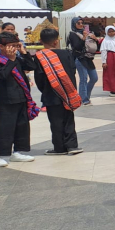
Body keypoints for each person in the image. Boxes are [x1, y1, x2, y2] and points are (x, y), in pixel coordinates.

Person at [0, 32, 38, 167]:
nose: (14, 49)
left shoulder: (17, 58)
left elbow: (31, 67)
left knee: (22, 126)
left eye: (16, 46)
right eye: (11, 46)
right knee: (5, 128)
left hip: (22, 97)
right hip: (7, 99)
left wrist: (24, 52)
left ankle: (18, 152)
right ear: (1, 46)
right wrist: (10, 60)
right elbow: (2, 76)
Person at [33, 28, 83, 156]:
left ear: (40, 41)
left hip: (51, 94)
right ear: (56, 41)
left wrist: (45, 90)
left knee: (55, 122)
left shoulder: (40, 56)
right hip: (68, 93)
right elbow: (72, 71)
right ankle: (72, 146)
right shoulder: (66, 53)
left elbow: (39, 77)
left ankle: (59, 148)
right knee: (69, 120)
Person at [66, 17, 99, 105]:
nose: (81, 25)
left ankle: (86, 96)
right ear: (74, 24)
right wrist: (84, 38)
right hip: (79, 58)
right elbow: (77, 47)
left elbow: (96, 48)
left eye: (82, 23)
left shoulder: (88, 33)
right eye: (78, 23)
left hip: (88, 58)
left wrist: (96, 40)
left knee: (94, 78)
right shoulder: (73, 34)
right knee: (83, 79)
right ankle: (84, 99)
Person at [99, 26, 115, 97]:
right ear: (106, 32)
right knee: (110, 73)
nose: (111, 33)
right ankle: (112, 89)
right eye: (109, 32)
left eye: (113, 31)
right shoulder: (105, 41)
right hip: (110, 58)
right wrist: (104, 62)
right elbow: (103, 51)